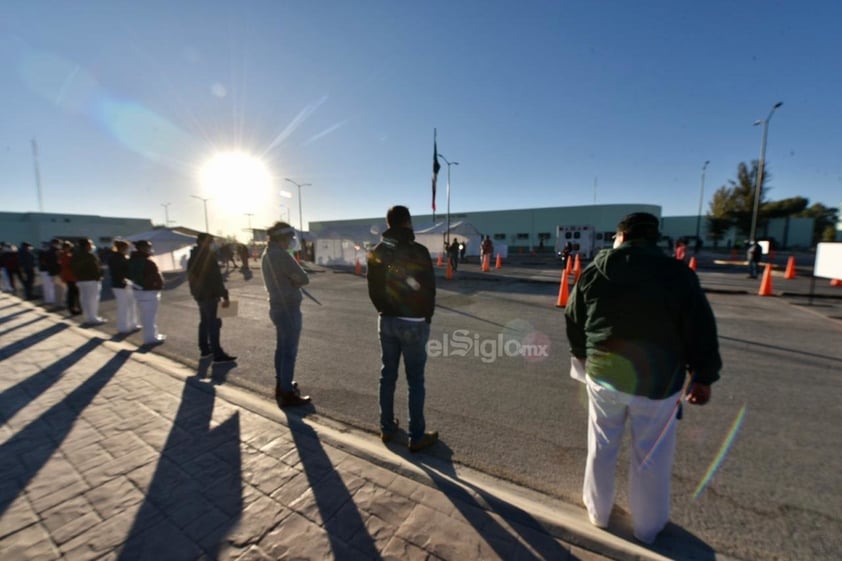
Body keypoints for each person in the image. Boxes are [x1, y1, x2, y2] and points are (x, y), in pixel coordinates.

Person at [564, 212, 722, 544]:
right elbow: (700, 328)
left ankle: (598, 512)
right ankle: (648, 526)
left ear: (620, 237)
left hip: (604, 375)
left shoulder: (595, 272)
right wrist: (703, 376)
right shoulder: (678, 275)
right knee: (651, 456)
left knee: (602, 446)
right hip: (659, 383)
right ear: (654, 239)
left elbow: (574, 317)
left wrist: (582, 354)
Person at [367, 205, 438, 453]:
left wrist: (384, 310)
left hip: (387, 320)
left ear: (388, 223)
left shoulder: (377, 251)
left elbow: (373, 289)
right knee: (415, 380)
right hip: (414, 322)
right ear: (407, 222)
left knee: (388, 375)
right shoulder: (418, 251)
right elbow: (428, 287)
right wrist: (426, 315)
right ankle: (416, 435)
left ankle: (387, 428)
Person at [261, 221, 311, 407]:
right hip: (288, 307)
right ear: (283, 238)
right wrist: (295, 281)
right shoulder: (281, 255)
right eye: (290, 238)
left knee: (281, 349)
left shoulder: (267, 254)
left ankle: (282, 383)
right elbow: (304, 278)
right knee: (289, 351)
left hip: (276, 306)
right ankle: (287, 393)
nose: (291, 241)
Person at [188, 233, 236, 363]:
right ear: (205, 242)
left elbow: (192, 277)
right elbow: (215, 279)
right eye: (211, 242)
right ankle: (217, 353)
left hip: (200, 295)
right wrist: (224, 294)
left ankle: (205, 349)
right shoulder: (206, 257)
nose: (213, 244)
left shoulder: (194, 255)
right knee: (214, 324)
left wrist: (195, 293)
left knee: (204, 322)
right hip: (210, 295)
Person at [128, 240, 165, 345]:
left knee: (146, 316)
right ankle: (150, 338)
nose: (150, 249)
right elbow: (154, 276)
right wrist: (158, 285)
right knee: (149, 316)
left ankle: (152, 335)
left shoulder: (132, 260)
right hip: (148, 291)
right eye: (148, 247)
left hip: (139, 290)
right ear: (143, 248)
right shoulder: (146, 261)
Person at [71, 238, 106, 325]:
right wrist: (99, 276)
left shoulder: (75, 255)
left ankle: (87, 317)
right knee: (93, 299)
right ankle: (93, 318)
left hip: (80, 280)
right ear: (87, 246)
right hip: (91, 280)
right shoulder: (90, 256)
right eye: (90, 244)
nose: (92, 246)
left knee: (84, 299)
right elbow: (96, 269)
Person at [107, 240, 139, 334]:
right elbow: (120, 272)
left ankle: (132, 323)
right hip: (120, 285)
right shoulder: (116, 258)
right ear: (122, 248)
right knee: (123, 306)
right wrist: (125, 279)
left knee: (131, 304)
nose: (128, 250)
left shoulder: (122, 257)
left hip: (126, 284)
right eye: (126, 248)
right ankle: (123, 326)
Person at [59, 241, 81, 315]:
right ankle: (73, 308)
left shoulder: (64, 255)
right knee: (72, 293)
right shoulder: (66, 256)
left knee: (73, 292)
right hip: (70, 276)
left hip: (68, 275)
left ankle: (74, 307)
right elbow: (70, 265)